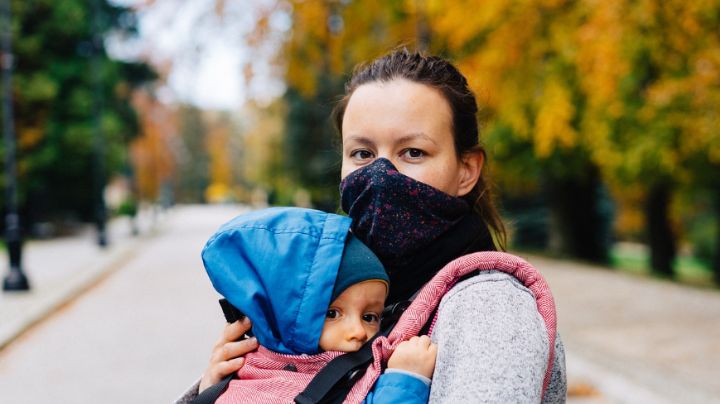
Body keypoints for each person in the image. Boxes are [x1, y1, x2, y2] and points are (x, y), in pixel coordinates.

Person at [181, 48, 567, 403]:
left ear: (466, 170)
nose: (382, 175)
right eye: (363, 153)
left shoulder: (488, 308)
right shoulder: (336, 290)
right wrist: (220, 388)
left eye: (412, 152)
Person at [198, 207, 437, 403]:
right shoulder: (255, 391)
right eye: (332, 313)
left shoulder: (356, 367)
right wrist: (406, 380)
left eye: (370, 317)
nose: (358, 332)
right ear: (281, 317)